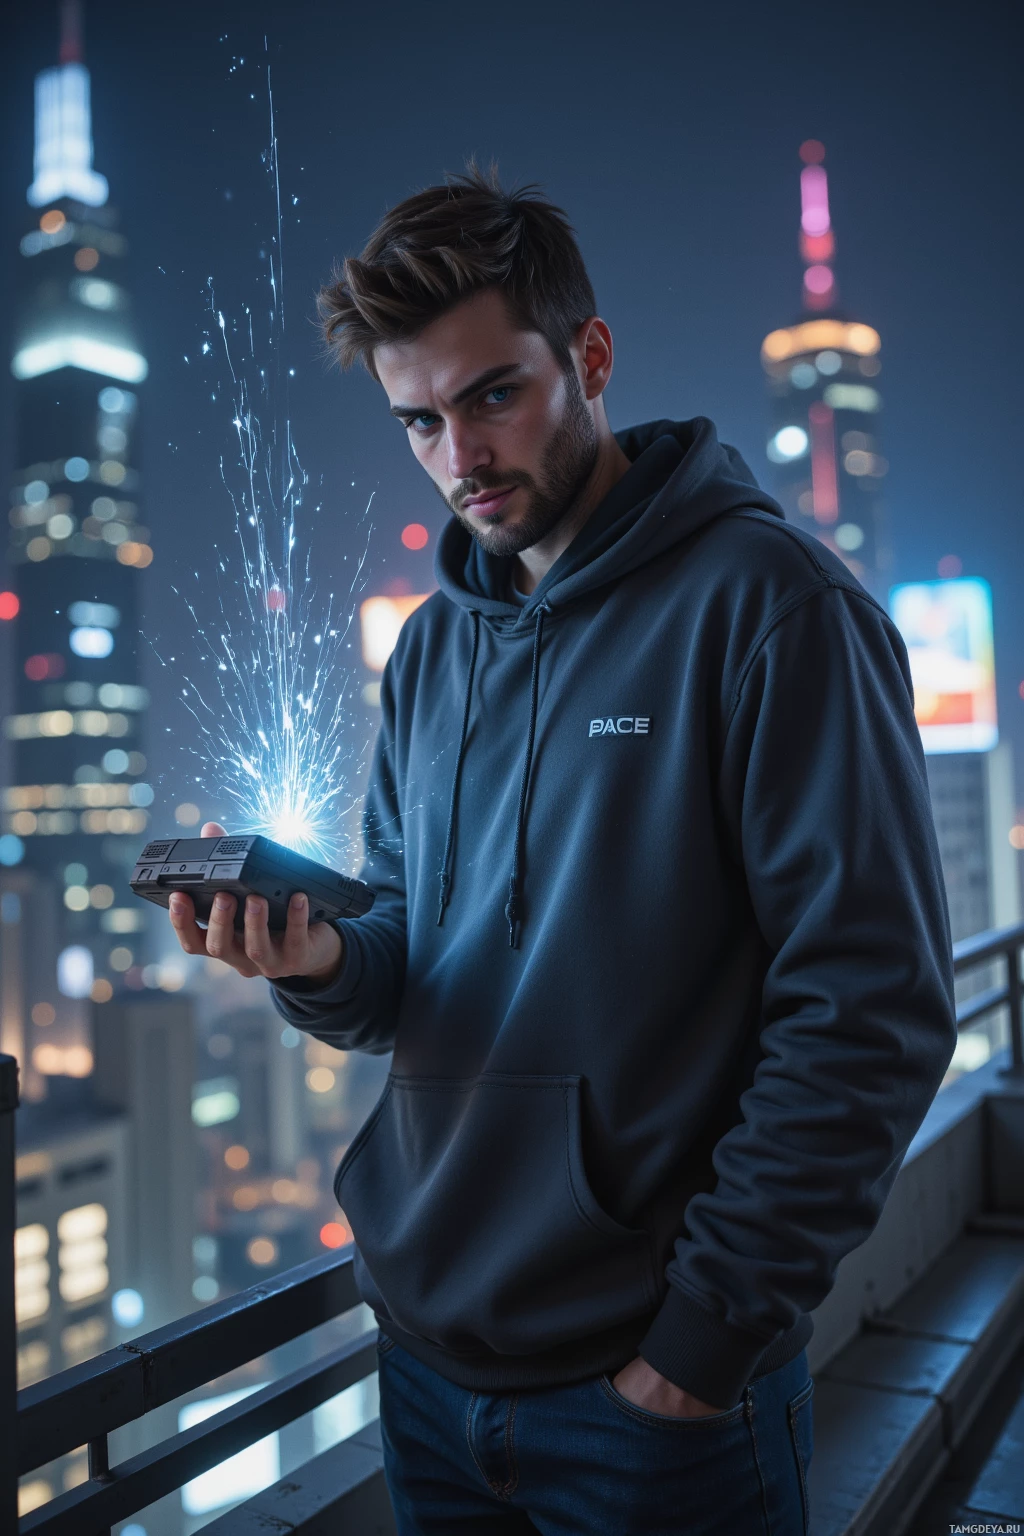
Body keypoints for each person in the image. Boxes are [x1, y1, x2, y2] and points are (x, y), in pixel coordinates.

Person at [168, 166, 956, 1535]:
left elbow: (871, 1007)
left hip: (650, 1400)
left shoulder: (773, 610)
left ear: (589, 358)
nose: (458, 457)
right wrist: (319, 961)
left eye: (492, 396)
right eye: (417, 421)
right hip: (424, 1366)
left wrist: (697, 1352)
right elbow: (415, 962)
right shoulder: (427, 655)